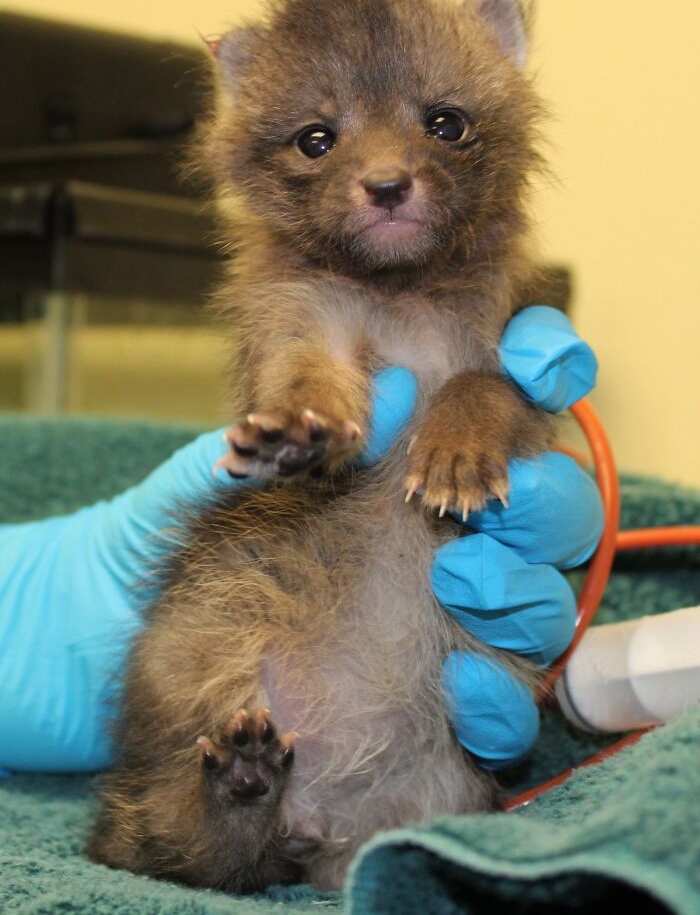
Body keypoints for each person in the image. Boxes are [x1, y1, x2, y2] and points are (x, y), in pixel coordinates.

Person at [0, 306, 602, 773]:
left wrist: (489, 403)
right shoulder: (293, 307)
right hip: (267, 677)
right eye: (317, 140)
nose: (388, 170)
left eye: (446, 134)